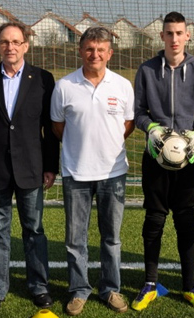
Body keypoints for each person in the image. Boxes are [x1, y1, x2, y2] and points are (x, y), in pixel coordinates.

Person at [0, 22, 59, 315]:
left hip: (31, 167)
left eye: (16, 42)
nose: (11, 47)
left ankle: (39, 286)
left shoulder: (43, 79)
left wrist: (51, 166)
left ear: (26, 45)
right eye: (5, 42)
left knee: (34, 230)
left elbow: (50, 129)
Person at [50, 26, 134, 316]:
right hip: (76, 173)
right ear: (80, 50)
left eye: (100, 49)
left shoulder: (123, 85)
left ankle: (111, 289)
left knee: (111, 237)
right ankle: (78, 289)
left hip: (113, 173)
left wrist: (105, 146)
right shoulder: (64, 86)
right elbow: (58, 128)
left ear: (109, 53)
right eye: (89, 48)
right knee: (76, 240)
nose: (94, 54)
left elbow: (128, 125)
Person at [131, 11, 194, 312]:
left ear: (187, 36)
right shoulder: (147, 70)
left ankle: (189, 285)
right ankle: (150, 283)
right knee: (154, 219)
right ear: (162, 36)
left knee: (186, 221)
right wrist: (151, 127)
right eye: (169, 33)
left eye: (179, 33)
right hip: (156, 157)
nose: (174, 38)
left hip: (188, 158)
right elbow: (138, 111)